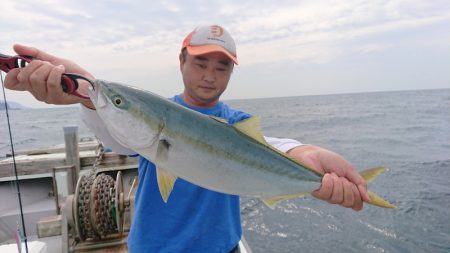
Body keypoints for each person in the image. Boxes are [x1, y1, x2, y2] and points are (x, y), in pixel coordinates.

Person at [5, 25, 370, 253]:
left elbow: (268, 146)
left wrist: (307, 154)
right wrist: (86, 93)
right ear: (181, 61)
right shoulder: (155, 120)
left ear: (231, 72)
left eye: (221, 66)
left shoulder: (235, 123)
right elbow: (118, 135)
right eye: (200, 62)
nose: (210, 75)